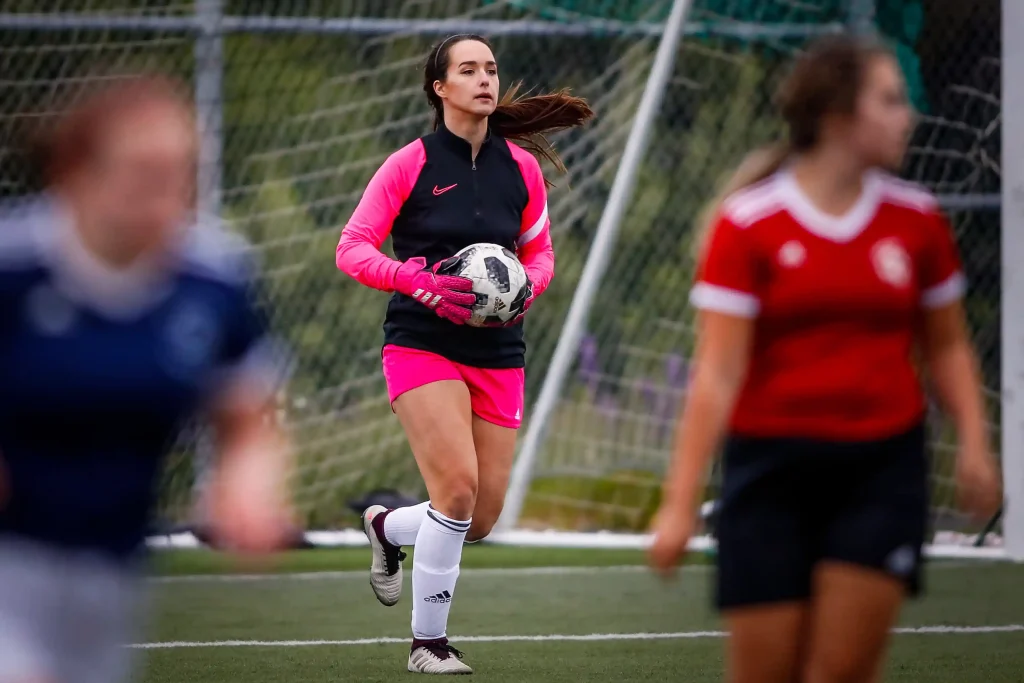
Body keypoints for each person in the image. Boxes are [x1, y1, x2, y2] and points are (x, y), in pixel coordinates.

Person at [648, 36, 1001, 683]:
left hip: (881, 470)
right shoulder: (748, 223)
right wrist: (678, 503)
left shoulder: (917, 221)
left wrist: (976, 443)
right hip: (770, 472)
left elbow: (946, 343)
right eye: (891, 100)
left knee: (839, 672)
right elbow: (718, 373)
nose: (908, 116)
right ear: (839, 117)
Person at [0, 74, 294, 683]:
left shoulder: (214, 280)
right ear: (74, 172)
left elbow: (245, 415)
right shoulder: (14, 268)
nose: (165, 198)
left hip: (113, 572)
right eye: (143, 173)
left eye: (179, 174)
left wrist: (245, 486)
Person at [336, 34, 592, 674]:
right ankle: (429, 645)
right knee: (454, 491)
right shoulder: (409, 163)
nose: (485, 79)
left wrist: (530, 285)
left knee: (477, 518)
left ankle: (388, 527)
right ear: (439, 88)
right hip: (422, 343)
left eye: (492, 69)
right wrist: (413, 279)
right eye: (469, 70)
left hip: (500, 351)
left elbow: (541, 254)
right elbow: (353, 248)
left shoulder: (521, 168)